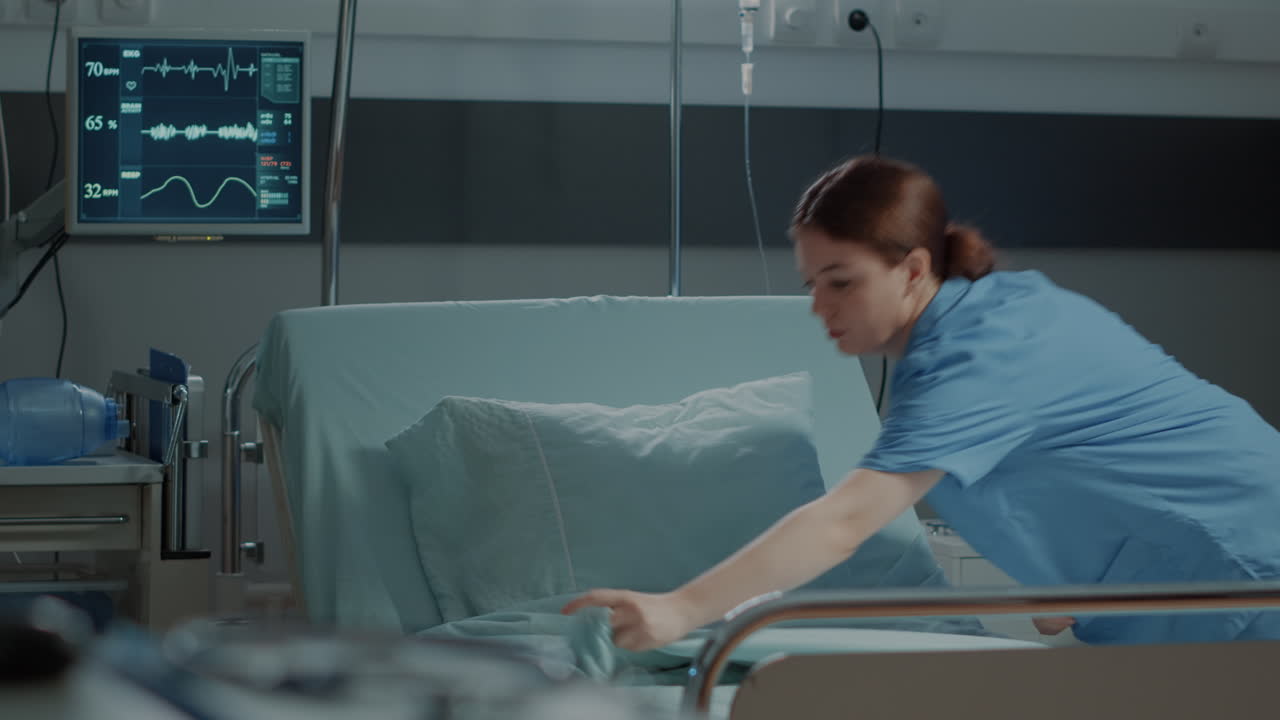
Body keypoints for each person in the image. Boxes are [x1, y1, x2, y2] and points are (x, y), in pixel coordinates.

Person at [562, 155, 1280, 648]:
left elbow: (844, 523)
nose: (819, 306)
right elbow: (1087, 451)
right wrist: (1072, 582)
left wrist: (678, 609)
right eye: (810, 283)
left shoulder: (978, 354)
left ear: (911, 270)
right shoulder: (989, 316)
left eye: (841, 281)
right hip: (1201, 581)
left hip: (1248, 574)